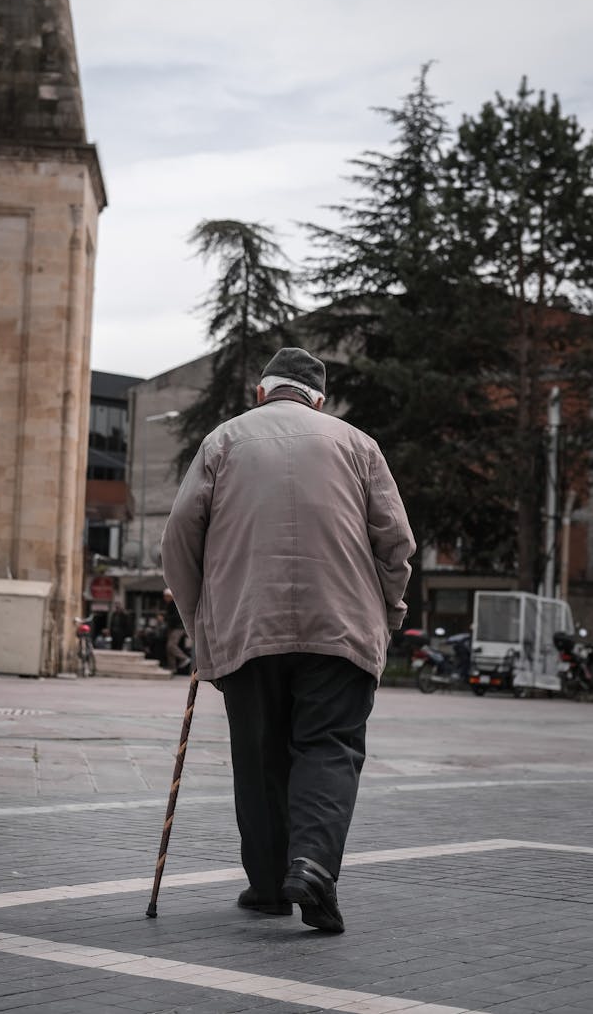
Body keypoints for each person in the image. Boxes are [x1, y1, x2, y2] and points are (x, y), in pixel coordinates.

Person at [161, 346, 415, 933]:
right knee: (329, 746)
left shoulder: (222, 442)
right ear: (319, 401)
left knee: (258, 756)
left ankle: (271, 885)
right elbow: (396, 542)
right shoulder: (357, 445)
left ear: (262, 392)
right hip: (342, 626)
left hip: (247, 627)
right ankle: (314, 866)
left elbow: (179, 537)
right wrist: (391, 610)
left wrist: (200, 622)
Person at [163, 589, 191, 673]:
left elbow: (176, 617)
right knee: (169, 648)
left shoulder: (174, 604)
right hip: (174, 627)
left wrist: (164, 618)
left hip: (178, 628)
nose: (164, 598)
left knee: (171, 645)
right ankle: (172, 667)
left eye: (166, 596)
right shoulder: (170, 604)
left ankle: (184, 658)